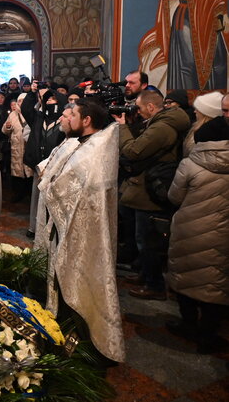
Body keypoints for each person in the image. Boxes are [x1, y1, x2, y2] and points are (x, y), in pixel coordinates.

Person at [34, 98, 124, 363]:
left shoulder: (97, 150)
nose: (63, 117)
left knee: (77, 281)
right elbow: (54, 167)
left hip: (82, 231)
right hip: (61, 227)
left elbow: (76, 187)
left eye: (69, 114)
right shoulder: (77, 142)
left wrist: (50, 185)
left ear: (86, 121)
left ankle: (81, 340)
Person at [115, 89, 191, 300]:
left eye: (138, 108)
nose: (136, 112)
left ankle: (154, 285)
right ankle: (145, 274)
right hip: (144, 186)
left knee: (146, 240)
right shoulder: (160, 123)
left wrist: (122, 128)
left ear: (150, 107)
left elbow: (133, 151)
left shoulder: (162, 127)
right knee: (142, 237)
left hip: (149, 191)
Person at [165, 116, 229, 354]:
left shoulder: (190, 163)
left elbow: (174, 197)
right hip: (223, 231)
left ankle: (188, 324)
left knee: (185, 275)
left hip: (188, 228)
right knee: (216, 283)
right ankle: (208, 334)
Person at [21, 85, 67, 238]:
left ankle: (53, 230)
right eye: (47, 99)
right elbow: (26, 109)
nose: (50, 102)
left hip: (57, 168)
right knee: (36, 198)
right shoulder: (39, 118)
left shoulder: (64, 121)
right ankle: (34, 228)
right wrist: (32, 92)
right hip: (39, 166)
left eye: (54, 99)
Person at [1, 94, 33, 202]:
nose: (21, 103)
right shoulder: (13, 115)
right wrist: (7, 127)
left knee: (29, 171)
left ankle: (30, 194)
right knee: (18, 172)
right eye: (19, 101)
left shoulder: (33, 113)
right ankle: (18, 194)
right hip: (17, 147)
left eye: (24, 101)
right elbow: (4, 131)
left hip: (29, 147)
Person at [183, 91, 222, 156]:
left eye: (197, 109)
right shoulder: (197, 127)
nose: (194, 111)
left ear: (206, 114)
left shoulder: (208, 134)